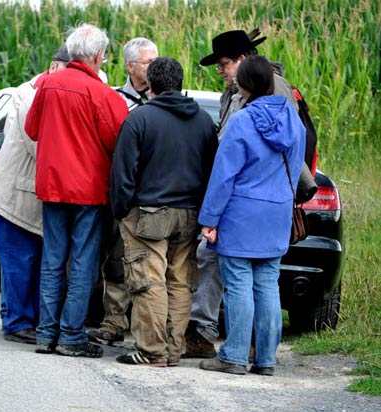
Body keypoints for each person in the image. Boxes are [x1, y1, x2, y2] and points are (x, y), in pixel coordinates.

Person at [184, 29, 299, 358]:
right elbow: (294, 162)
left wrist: (209, 218)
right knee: (266, 284)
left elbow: (225, 174)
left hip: (241, 210)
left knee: (236, 282)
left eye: (224, 65)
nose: (221, 72)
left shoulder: (242, 120)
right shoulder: (289, 118)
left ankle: (232, 353)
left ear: (245, 66)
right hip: (276, 210)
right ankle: (265, 357)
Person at [25, 23, 129, 358]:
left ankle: (46, 333)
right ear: (97, 56)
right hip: (88, 189)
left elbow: (32, 128)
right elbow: (117, 141)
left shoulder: (48, 84)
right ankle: (71, 335)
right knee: (83, 262)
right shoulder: (103, 94)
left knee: (53, 259)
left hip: (53, 184)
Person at [109, 57, 218, 366]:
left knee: (148, 280)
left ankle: (152, 351)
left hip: (148, 213)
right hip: (189, 214)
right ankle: (173, 349)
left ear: (150, 85)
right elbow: (212, 171)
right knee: (180, 282)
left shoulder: (139, 119)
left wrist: (121, 210)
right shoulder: (203, 122)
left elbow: (122, 173)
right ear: (180, 83)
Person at [0, 45, 70, 345]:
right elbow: (39, 145)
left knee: (31, 261)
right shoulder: (30, 96)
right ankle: (17, 323)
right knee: (19, 261)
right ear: (55, 67)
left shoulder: (46, 92)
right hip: (13, 196)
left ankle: (26, 320)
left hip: (28, 196)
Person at [88, 37, 158, 347]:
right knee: (115, 258)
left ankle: (146, 326)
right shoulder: (114, 99)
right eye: (147, 62)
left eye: (156, 60)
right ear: (130, 67)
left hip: (153, 194)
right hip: (120, 192)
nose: (153, 66)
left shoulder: (164, 99)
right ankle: (113, 320)